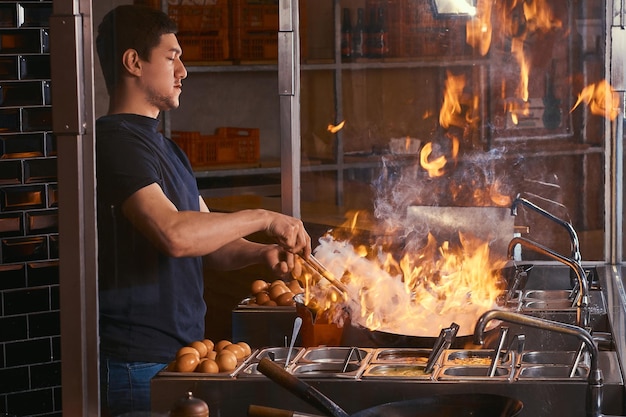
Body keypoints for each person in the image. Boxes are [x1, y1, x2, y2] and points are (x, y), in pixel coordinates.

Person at [94, 5, 311, 416]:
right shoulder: (116, 143)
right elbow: (175, 234)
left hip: (178, 356)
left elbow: (213, 246)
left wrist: (260, 252)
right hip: (136, 363)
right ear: (133, 62)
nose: (184, 71)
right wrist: (265, 218)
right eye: (172, 57)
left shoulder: (169, 150)